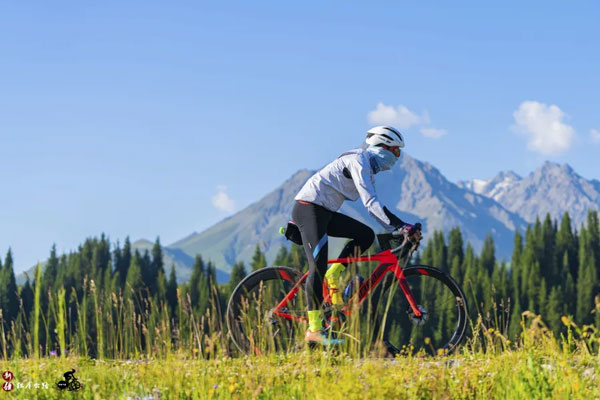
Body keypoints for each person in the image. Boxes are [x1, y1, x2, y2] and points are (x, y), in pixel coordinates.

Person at [292, 125, 419, 345]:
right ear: (383, 147)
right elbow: (371, 204)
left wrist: (399, 227)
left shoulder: (367, 167)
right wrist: (401, 226)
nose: (397, 158)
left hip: (326, 212)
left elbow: (372, 206)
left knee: (365, 236)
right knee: (318, 262)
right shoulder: (359, 161)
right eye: (396, 151)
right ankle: (313, 330)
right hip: (308, 209)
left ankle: (333, 275)